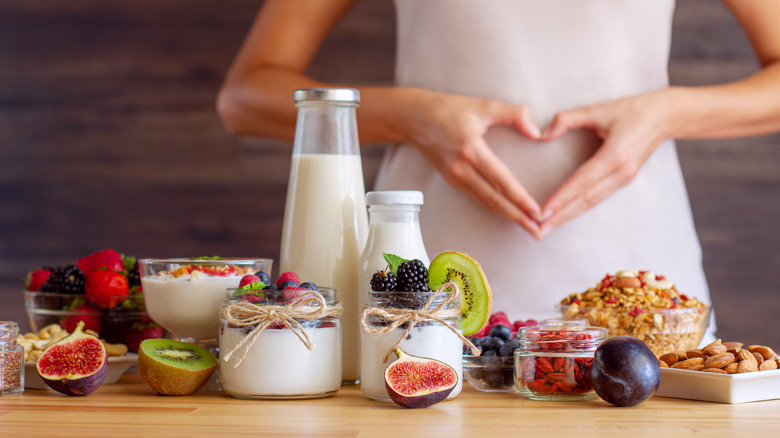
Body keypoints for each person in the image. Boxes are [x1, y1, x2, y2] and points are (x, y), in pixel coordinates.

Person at [216, 0, 780, 331]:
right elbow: (246, 93)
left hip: (646, 293)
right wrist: (412, 113)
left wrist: (666, 111)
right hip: (425, 289)